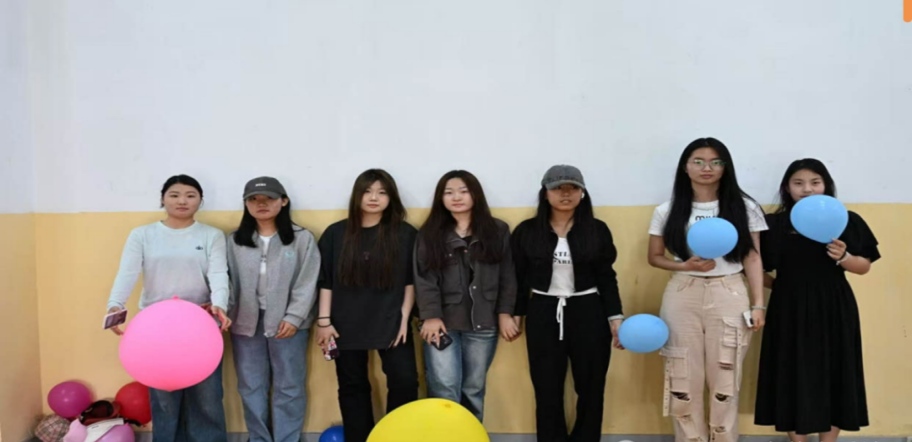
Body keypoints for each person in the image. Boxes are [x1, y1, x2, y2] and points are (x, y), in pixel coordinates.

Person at [646, 138, 767, 442]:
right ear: (685, 167)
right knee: (682, 379)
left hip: (730, 292)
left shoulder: (745, 207)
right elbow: (655, 257)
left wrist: (758, 304)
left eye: (715, 161)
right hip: (682, 293)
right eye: (698, 161)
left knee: (725, 380)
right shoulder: (667, 210)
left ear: (726, 167)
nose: (707, 168)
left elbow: (753, 257)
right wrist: (684, 266)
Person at [755, 159, 880, 442]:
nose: (807, 189)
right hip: (788, 306)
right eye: (798, 183)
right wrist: (781, 287)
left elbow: (864, 266)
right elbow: (753, 267)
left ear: (826, 185)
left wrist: (844, 257)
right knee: (789, 369)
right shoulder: (774, 224)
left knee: (836, 370)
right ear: (787, 187)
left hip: (834, 304)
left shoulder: (846, 219)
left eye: (815, 182)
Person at [106, 174, 229, 442]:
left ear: (200, 201)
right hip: (156, 328)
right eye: (174, 195)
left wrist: (220, 305)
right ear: (163, 199)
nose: (182, 201)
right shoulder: (142, 235)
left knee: (207, 397)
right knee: (164, 398)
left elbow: (219, 274)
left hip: (201, 324)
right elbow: (127, 273)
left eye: (190, 195)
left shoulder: (212, 235)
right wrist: (115, 305)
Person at [512, 165, 624, 442]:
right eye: (557, 188)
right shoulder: (527, 231)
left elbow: (607, 276)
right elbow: (517, 277)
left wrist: (615, 317)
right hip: (543, 311)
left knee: (591, 386)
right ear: (545, 193)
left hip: (588, 311)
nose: (565, 193)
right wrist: (514, 313)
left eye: (573, 187)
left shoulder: (596, 229)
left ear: (582, 193)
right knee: (546, 387)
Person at [315, 169, 419, 442]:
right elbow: (326, 281)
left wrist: (404, 320)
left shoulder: (405, 233)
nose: (374, 197)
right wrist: (324, 322)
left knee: (405, 381)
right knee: (352, 385)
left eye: (382, 192)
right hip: (344, 323)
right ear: (356, 195)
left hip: (392, 321)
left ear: (391, 197)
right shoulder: (336, 233)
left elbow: (411, 281)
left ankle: (395, 437)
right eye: (367, 191)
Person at [414, 170, 519, 422]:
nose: (456, 197)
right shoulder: (429, 234)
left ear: (475, 195)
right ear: (440, 198)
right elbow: (424, 278)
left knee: (473, 388)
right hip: (442, 324)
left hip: (484, 322)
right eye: (448, 192)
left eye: (463, 191)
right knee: (443, 388)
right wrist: (430, 316)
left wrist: (505, 313)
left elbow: (508, 275)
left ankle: (471, 435)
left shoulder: (498, 230)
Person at [227, 176, 320, 442]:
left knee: (289, 385)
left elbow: (308, 281)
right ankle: (259, 438)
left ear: (284, 201)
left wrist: (294, 317)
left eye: (269, 198)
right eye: (253, 199)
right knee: (250, 386)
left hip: (289, 323)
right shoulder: (234, 240)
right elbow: (228, 280)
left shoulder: (302, 238)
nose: (261, 203)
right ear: (246, 204)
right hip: (245, 322)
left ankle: (286, 438)